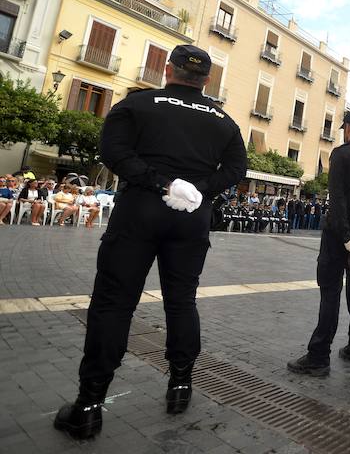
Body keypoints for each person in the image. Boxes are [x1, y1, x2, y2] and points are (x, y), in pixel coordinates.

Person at [54, 45, 247, 440]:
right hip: (192, 219)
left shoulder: (138, 104)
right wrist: (198, 190)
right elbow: (237, 168)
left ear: (169, 70)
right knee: (181, 301)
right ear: (207, 80)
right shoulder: (224, 121)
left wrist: (162, 182)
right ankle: (180, 386)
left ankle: (89, 406)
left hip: (140, 209)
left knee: (114, 303)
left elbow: (113, 151)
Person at [287, 110, 350, 376]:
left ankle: (319, 356)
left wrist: (344, 236)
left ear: (349, 128)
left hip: (338, 235)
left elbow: (337, 198)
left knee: (330, 293)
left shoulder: (341, 154)